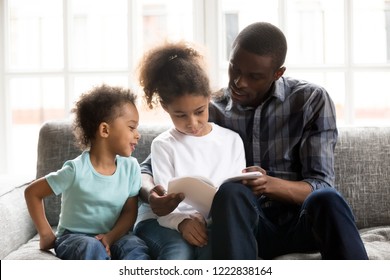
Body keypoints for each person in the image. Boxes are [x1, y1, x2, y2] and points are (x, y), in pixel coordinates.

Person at [141, 22, 369, 260]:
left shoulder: (310, 100)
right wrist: (151, 194)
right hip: (248, 226)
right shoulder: (210, 108)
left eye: (254, 76)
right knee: (231, 192)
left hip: (302, 224)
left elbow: (321, 183)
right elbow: (149, 166)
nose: (239, 82)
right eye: (234, 69)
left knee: (327, 198)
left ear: (277, 73)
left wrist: (267, 184)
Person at [134, 41, 247, 260]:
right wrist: (183, 223)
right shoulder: (164, 145)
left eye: (199, 111)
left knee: (211, 250)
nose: (193, 123)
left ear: (208, 99)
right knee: (179, 253)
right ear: (166, 108)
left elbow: (234, 197)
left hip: (210, 222)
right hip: (163, 222)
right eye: (181, 115)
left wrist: (204, 221)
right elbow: (164, 206)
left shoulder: (232, 140)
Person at [24, 84, 150, 260]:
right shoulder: (76, 170)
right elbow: (32, 192)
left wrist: (110, 237)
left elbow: (130, 213)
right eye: (131, 127)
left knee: (135, 247)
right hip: (75, 237)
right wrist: (46, 234)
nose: (138, 135)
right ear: (105, 130)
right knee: (90, 247)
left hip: (115, 235)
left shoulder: (131, 168)